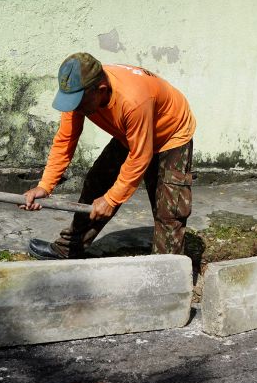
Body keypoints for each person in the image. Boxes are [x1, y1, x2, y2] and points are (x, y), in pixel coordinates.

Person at [20, 52, 196, 259]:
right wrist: (45, 185)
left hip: (171, 135)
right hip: (129, 134)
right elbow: (65, 140)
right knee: (96, 184)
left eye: (80, 104)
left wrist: (111, 200)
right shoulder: (78, 92)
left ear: (101, 90)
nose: (75, 109)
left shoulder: (133, 101)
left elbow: (140, 157)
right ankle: (68, 249)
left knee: (169, 210)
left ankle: (167, 272)